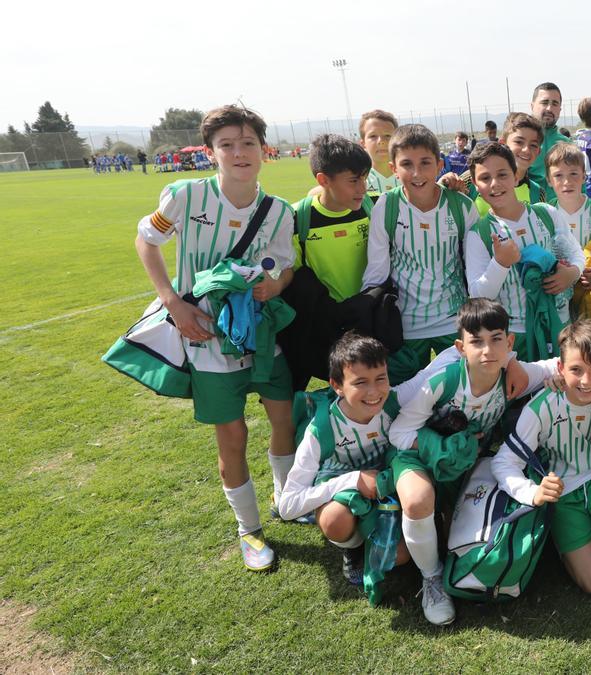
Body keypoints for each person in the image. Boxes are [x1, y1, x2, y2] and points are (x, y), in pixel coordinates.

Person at [134, 105, 297, 571]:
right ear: (211, 152)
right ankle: (249, 530)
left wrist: (275, 285)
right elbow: (147, 240)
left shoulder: (278, 211)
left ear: (263, 150)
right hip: (203, 333)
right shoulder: (185, 197)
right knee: (233, 433)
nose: (239, 152)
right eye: (227, 144)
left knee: (283, 416)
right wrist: (173, 301)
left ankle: (286, 500)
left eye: (248, 143)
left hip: (261, 332)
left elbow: (284, 266)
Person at [385, 299, 581, 624]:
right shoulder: (442, 379)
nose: (488, 350)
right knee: (419, 501)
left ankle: (447, 547)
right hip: (417, 455)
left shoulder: (511, 375)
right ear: (461, 347)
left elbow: (559, 366)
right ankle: (432, 579)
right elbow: (399, 432)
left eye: (496, 339)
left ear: (510, 343)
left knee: (460, 532)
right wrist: (445, 446)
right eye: (477, 341)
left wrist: (565, 379)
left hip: (463, 466)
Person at [492, 320, 591, 594]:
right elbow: (503, 461)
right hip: (562, 493)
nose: (586, 380)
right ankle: (570, 541)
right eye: (576, 370)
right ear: (559, 368)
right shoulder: (542, 405)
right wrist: (533, 492)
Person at [275, 333, 413, 586]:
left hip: (384, 488)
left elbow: (434, 374)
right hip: (343, 493)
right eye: (360, 382)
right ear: (336, 385)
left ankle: (377, 531)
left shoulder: (394, 402)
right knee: (334, 520)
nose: (374, 391)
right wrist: (353, 480)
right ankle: (352, 548)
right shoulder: (321, 430)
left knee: (400, 558)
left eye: (380, 378)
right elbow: (287, 506)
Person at [361, 124, 478, 383]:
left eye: (425, 163)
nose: (416, 173)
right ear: (393, 169)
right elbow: (376, 270)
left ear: (439, 165)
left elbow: (475, 266)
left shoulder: (462, 206)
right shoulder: (387, 205)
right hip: (405, 328)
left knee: (460, 399)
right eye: (406, 164)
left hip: (453, 322)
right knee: (404, 404)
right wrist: (371, 319)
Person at [464, 142, 584, 358]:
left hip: (559, 324)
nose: (494, 184)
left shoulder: (546, 214)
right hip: (514, 336)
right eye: (485, 178)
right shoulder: (478, 234)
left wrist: (571, 273)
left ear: (516, 177)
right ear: (475, 184)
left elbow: (576, 254)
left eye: (502, 175)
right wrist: (500, 263)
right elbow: (478, 296)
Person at [292, 134, 372, 303]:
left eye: (364, 178)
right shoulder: (295, 218)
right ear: (323, 180)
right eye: (353, 180)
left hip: (368, 314)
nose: (363, 189)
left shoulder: (374, 208)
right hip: (323, 321)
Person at [545, 143, 591, 320]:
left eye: (573, 174)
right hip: (557, 298)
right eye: (558, 175)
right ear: (548, 179)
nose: (566, 182)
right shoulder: (544, 213)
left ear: (584, 176)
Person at [472, 112, 549, 216]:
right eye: (519, 142)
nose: (526, 150)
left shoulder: (537, 193)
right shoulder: (474, 178)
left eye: (533, 145)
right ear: (503, 144)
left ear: (538, 152)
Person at [529, 82, 571, 201]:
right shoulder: (519, 144)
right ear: (532, 106)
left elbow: (580, 187)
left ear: (560, 109)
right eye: (544, 102)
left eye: (554, 104)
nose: (549, 108)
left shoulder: (568, 145)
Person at [358, 110, 399, 198]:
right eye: (373, 136)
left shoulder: (410, 176)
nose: (381, 141)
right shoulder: (357, 180)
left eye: (387, 135)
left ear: (397, 140)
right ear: (363, 143)